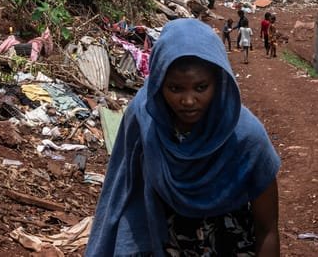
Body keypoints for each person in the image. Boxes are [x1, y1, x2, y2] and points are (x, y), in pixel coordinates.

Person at [86, 18, 280, 256]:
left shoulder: (246, 137)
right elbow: (123, 191)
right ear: (158, 84)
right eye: (175, 88)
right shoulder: (144, 118)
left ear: (218, 82)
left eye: (201, 87)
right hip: (166, 245)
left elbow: (267, 228)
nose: (188, 101)